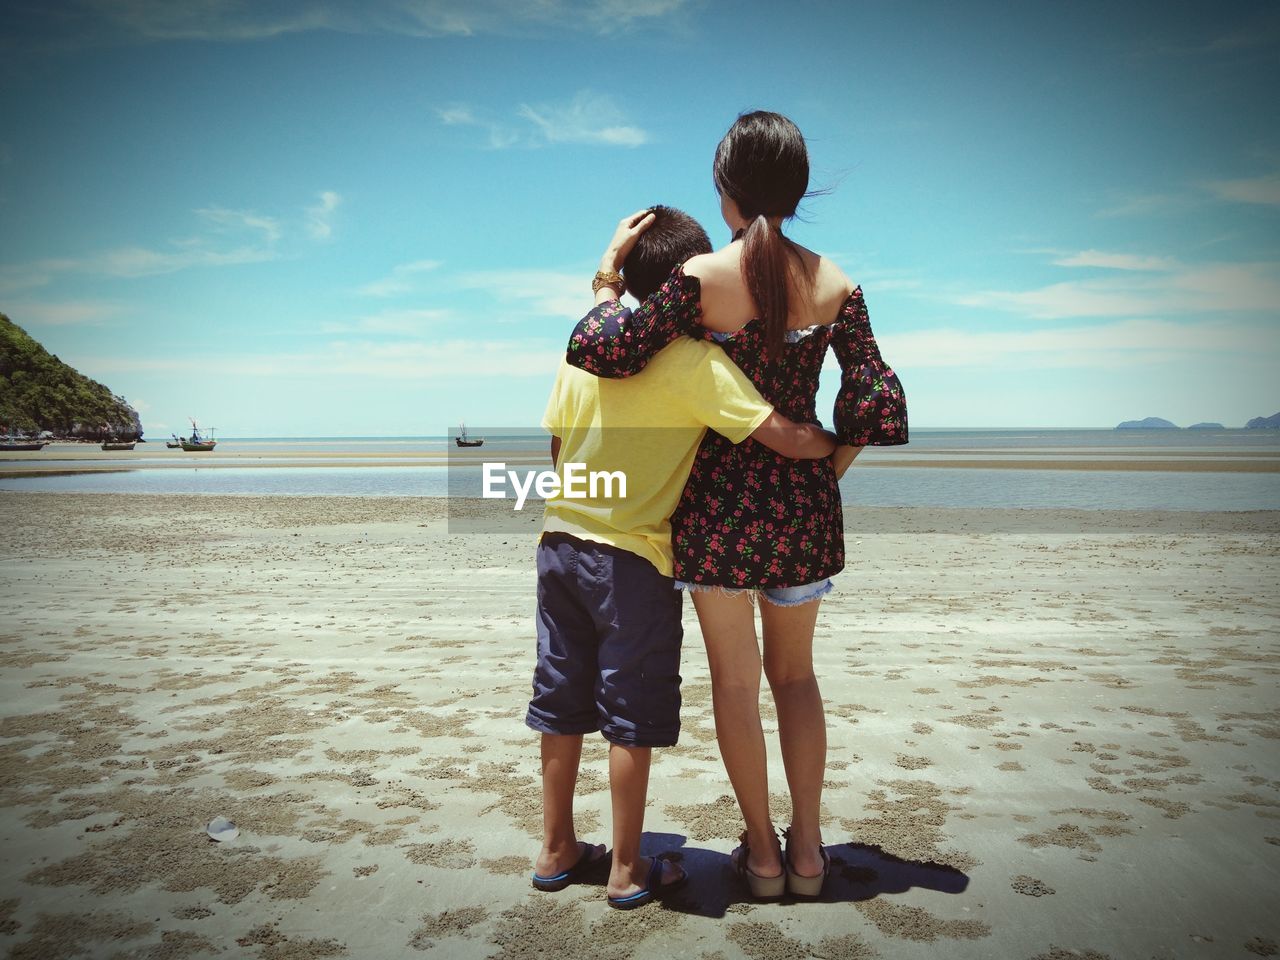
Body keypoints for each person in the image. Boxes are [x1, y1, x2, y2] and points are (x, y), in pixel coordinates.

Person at [564, 111, 908, 899]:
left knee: (734, 684)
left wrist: (609, 275)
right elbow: (876, 402)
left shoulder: (702, 279)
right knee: (797, 678)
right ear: (796, 188)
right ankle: (810, 853)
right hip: (803, 515)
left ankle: (760, 853)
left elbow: (603, 352)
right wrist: (828, 472)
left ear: (725, 189)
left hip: (718, 513)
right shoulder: (837, 285)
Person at [529, 204, 839, 909]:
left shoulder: (585, 344)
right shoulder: (695, 362)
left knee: (560, 699)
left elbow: (556, 448)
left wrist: (603, 280)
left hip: (557, 545)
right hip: (632, 557)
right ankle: (627, 868)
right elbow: (783, 437)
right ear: (692, 289)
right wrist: (840, 439)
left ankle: (555, 848)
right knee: (628, 711)